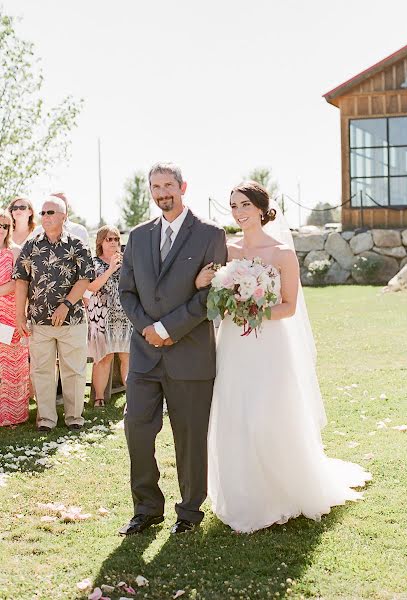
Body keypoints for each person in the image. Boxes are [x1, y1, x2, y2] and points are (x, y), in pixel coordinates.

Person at [195, 181, 371, 533]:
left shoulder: (282, 253)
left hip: (268, 343)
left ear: (261, 208)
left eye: (245, 205)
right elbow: (208, 285)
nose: (239, 212)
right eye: (233, 206)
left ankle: (282, 490)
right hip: (233, 343)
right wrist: (213, 289)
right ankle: (243, 495)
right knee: (235, 412)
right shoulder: (226, 250)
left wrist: (253, 311)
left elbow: (289, 307)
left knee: (268, 414)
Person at [118, 162, 227, 535]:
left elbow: (211, 295)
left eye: (168, 185)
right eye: (156, 186)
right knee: (136, 427)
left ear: (183, 186)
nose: (162, 192)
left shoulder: (210, 235)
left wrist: (169, 328)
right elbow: (126, 291)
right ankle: (147, 508)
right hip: (145, 353)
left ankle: (190, 512)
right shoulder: (136, 236)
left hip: (191, 354)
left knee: (190, 436)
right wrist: (148, 328)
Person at [13, 197, 95, 432]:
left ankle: (74, 418)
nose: (45, 216)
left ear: (63, 216)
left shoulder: (78, 244)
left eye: (51, 212)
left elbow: (85, 279)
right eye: (43, 212)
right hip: (39, 321)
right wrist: (20, 316)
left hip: (73, 320)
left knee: (74, 371)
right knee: (42, 371)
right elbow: (21, 281)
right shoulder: (31, 245)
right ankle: (46, 420)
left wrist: (66, 304)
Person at [87, 226, 132, 408]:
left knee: (127, 357)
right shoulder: (93, 262)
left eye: (116, 239)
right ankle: (99, 398)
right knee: (103, 358)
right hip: (102, 316)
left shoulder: (128, 262)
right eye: (109, 239)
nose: (113, 242)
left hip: (125, 315)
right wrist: (111, 269)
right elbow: (92, 287)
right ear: (100, 242)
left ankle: (132, 397)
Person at [0, 209, 29, 427]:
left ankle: (13, 414)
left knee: (12, 364)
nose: (1, 230)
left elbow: (17, 283)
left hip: (10, 314)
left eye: (5, 226)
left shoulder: (15, 252)